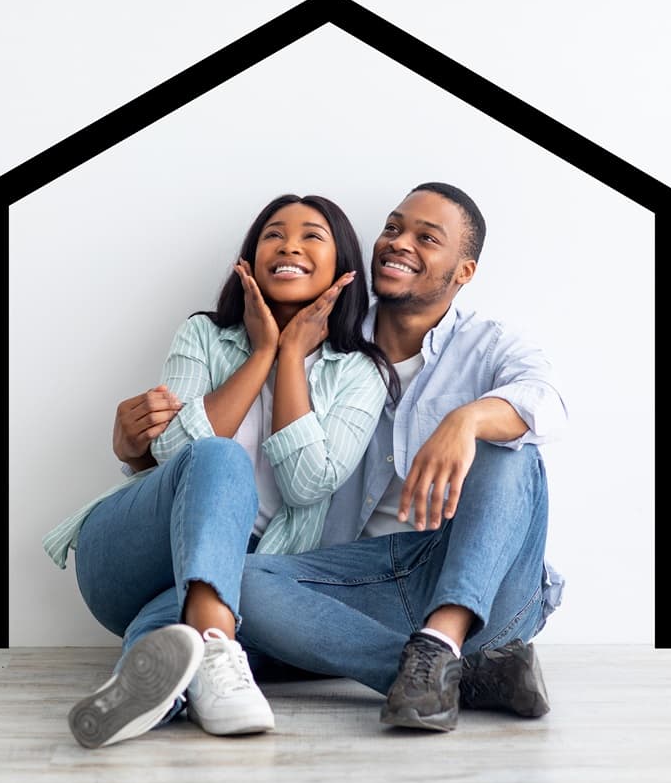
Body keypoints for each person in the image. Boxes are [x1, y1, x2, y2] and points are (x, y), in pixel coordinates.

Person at [41, 194, 394, 748]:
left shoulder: (362, 373)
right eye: (274, 234)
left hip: (238, 573)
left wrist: (294, 360)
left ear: (343, 270)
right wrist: (262, 355)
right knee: (219, 455)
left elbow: (308, 483)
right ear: (250, 260)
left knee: (169, 624)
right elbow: (171, 452)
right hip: (128, 553)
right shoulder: (202, 335)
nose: (290, 245)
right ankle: (218, 646)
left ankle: (158, 692)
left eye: (312, 236)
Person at [238, 182, 567, 732]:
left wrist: (466, 420)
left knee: (511, 448)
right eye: (392, 228)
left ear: (463, 272)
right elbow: (254, 450)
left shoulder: (488, 344)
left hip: (476, 580)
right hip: (358, 587)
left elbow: (547, 402)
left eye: (425, 237)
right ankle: (454, 671)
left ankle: (445, 635)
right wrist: (143, 451)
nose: (398, 243)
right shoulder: (326, 342)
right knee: (235, 579)